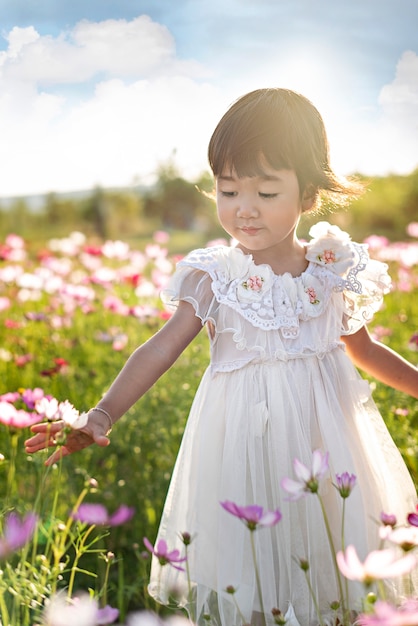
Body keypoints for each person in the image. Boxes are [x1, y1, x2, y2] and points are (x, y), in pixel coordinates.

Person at [26, 88, 418, 626]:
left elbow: (366, 349)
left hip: (330, 448)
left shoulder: (331, 268)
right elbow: (160, 348)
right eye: (229, 189)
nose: (244, 208)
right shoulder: (217, 276)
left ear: (307, 196)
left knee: (335, 573)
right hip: (246, 455)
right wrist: (98, 416)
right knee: (255, 583)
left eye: (265, 190)